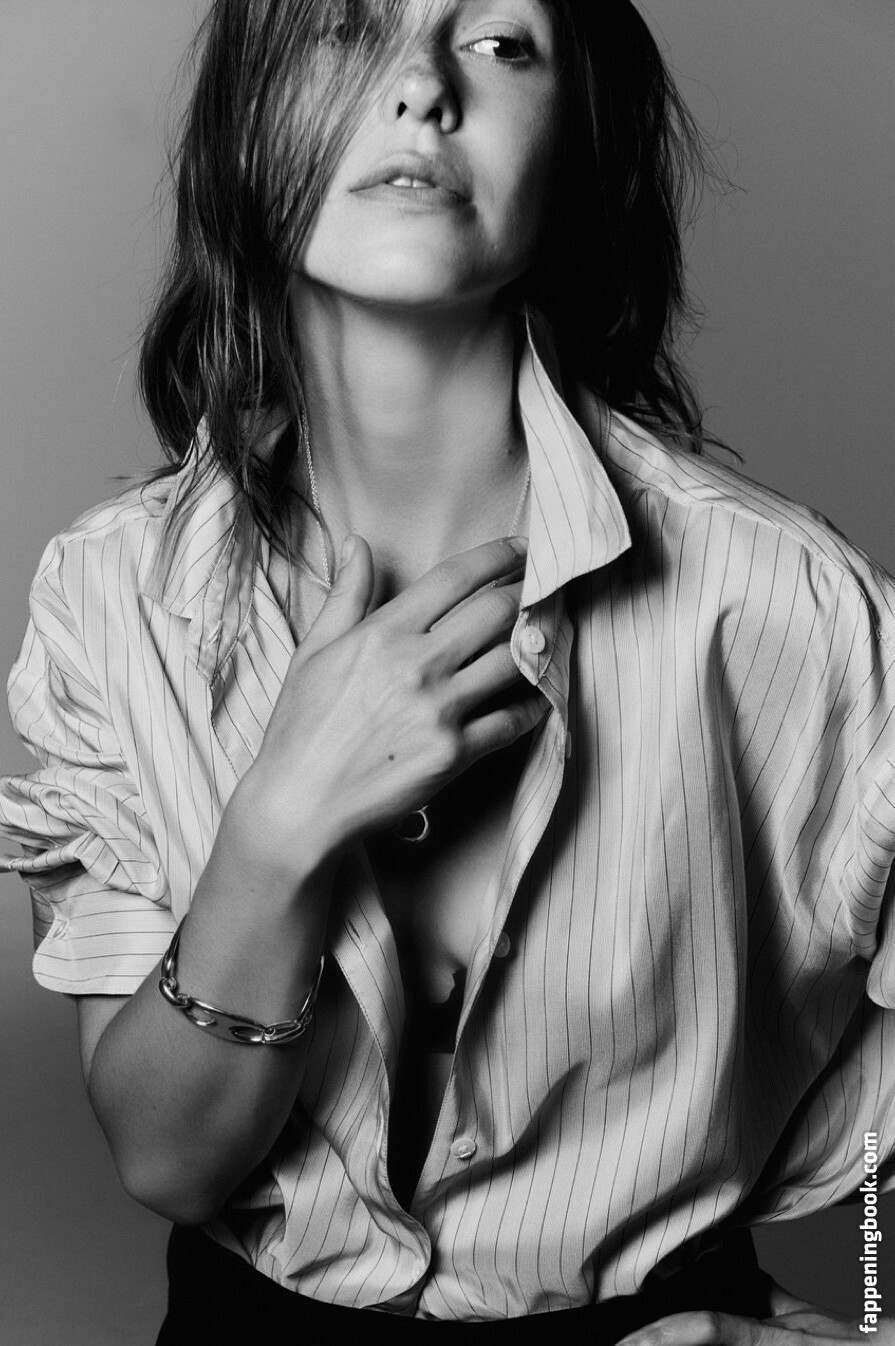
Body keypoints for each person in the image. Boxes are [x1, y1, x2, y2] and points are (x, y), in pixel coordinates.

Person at [0, 0, 892, 1340]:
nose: (420, 84)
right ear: (245, 125)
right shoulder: (114, 593)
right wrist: (280, 827)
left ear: (575, 141)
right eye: (345, 27)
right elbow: (170, 1163)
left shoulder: (797, 613)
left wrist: (875, 1320)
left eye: (500, 41)